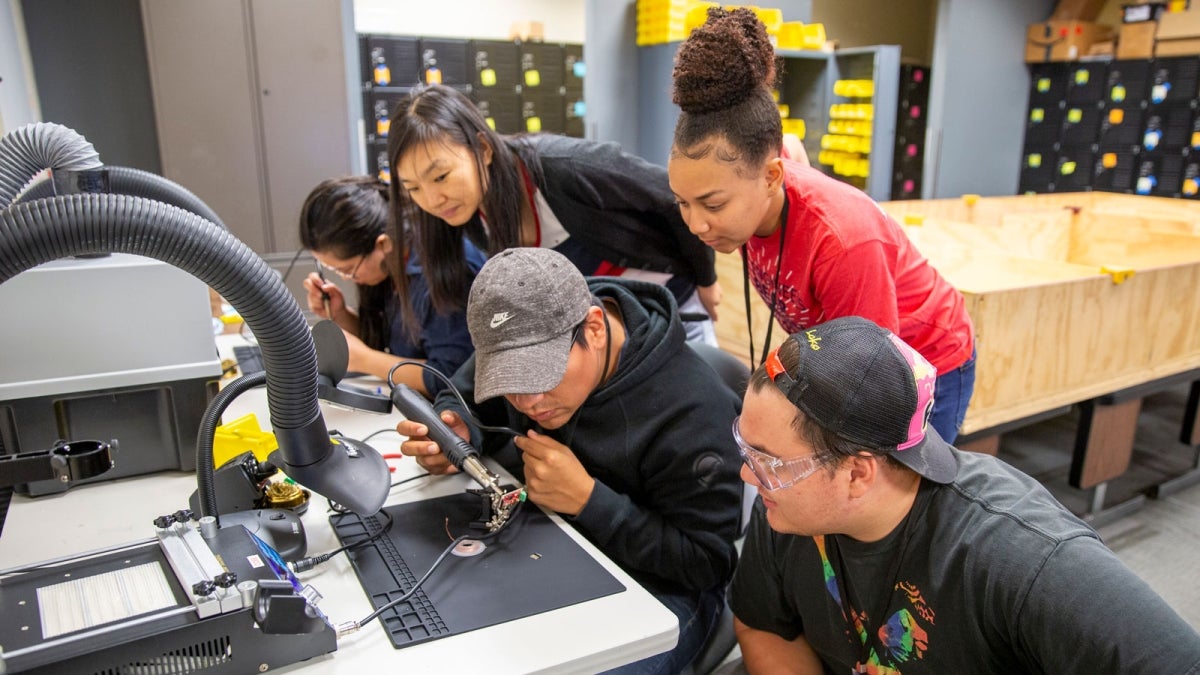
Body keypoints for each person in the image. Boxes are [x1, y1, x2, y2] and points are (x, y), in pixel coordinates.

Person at [727, 315, 1200, 674]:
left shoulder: (1019, 554)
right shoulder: (791, 511)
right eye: (747, 449)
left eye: (768, 461)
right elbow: (762, 622)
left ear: (857, 474)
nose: (750, 475)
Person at [397, 248, 744, 673]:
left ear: (595, 329)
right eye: (507, 381)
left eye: (540, 376)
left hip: (663, 589)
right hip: (555, 544)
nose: (528, 403)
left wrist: (590, 501)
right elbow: (462, 393)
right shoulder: (524, 323)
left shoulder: (694, 413)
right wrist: (458, 432)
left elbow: (706, 564)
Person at [667, 7, 976, 443]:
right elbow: (790, 145)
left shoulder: (844, 244)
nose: (697, 224)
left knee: (901, 493)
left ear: (771, 177)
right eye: (683, 203)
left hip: (923, 360)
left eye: (712, 204)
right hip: (851, 348)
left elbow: (873, 375)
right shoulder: (766, 181)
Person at [384, 83, 722, 346]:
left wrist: (706, 278)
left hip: (672, 307)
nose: (432, 199)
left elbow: (672, 197)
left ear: (483, 149)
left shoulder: (565, 168)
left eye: (440, 176)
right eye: (413, 188)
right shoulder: (467, 216)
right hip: (610, 333)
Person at [299, 176, 485, 397]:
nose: (347, 278)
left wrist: (364, 360)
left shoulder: (445, 273)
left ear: (382, 244)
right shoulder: (392, 266)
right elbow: (386, 345)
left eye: (348, 269)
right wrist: (340, 313)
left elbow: (449, 378)